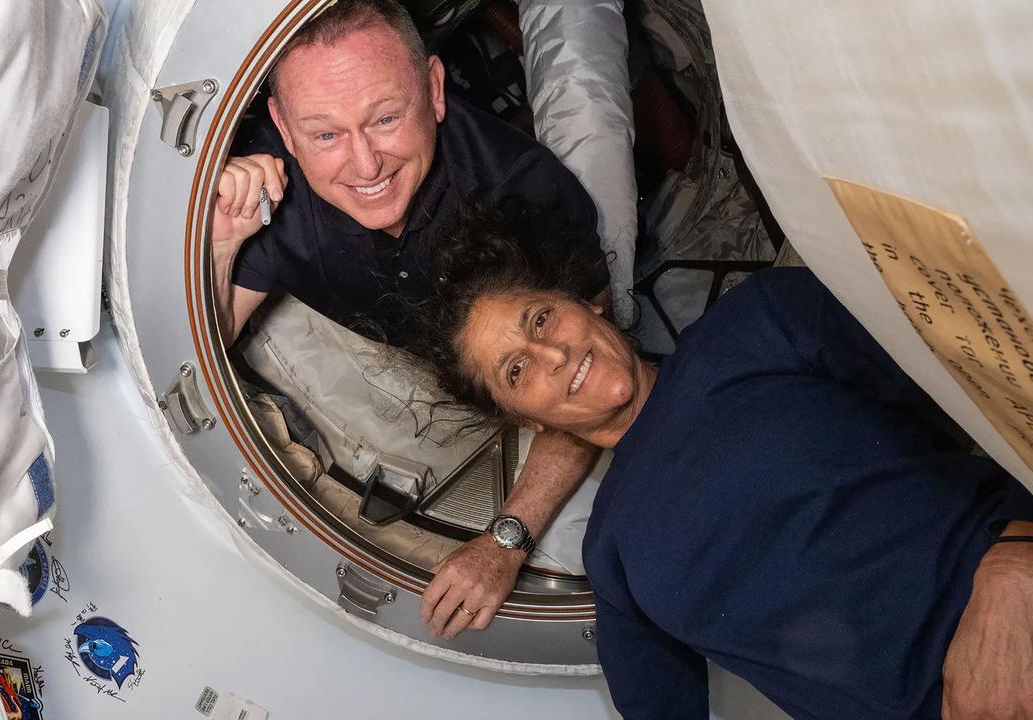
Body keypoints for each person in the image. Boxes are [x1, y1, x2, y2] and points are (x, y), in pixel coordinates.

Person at [406, 202, 1033, 719]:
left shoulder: (758, 324)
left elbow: (990, 387)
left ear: (586, 301)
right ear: (528, 420)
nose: (551, 355)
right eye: (516, 370)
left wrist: (1012, 567)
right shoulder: (612, 554)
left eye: (540, 318)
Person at [210, 0, 612, 635]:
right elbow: (208, 342)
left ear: (433, 88)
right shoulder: (270, 189)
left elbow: (593, 381)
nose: (365, 164)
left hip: (528, 331)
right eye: (325, 135)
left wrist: (505, 540)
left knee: (590, 114)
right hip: (418, 352)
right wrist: (226, 241)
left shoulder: (525, 194)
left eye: (386, 118)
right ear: (284, 132)